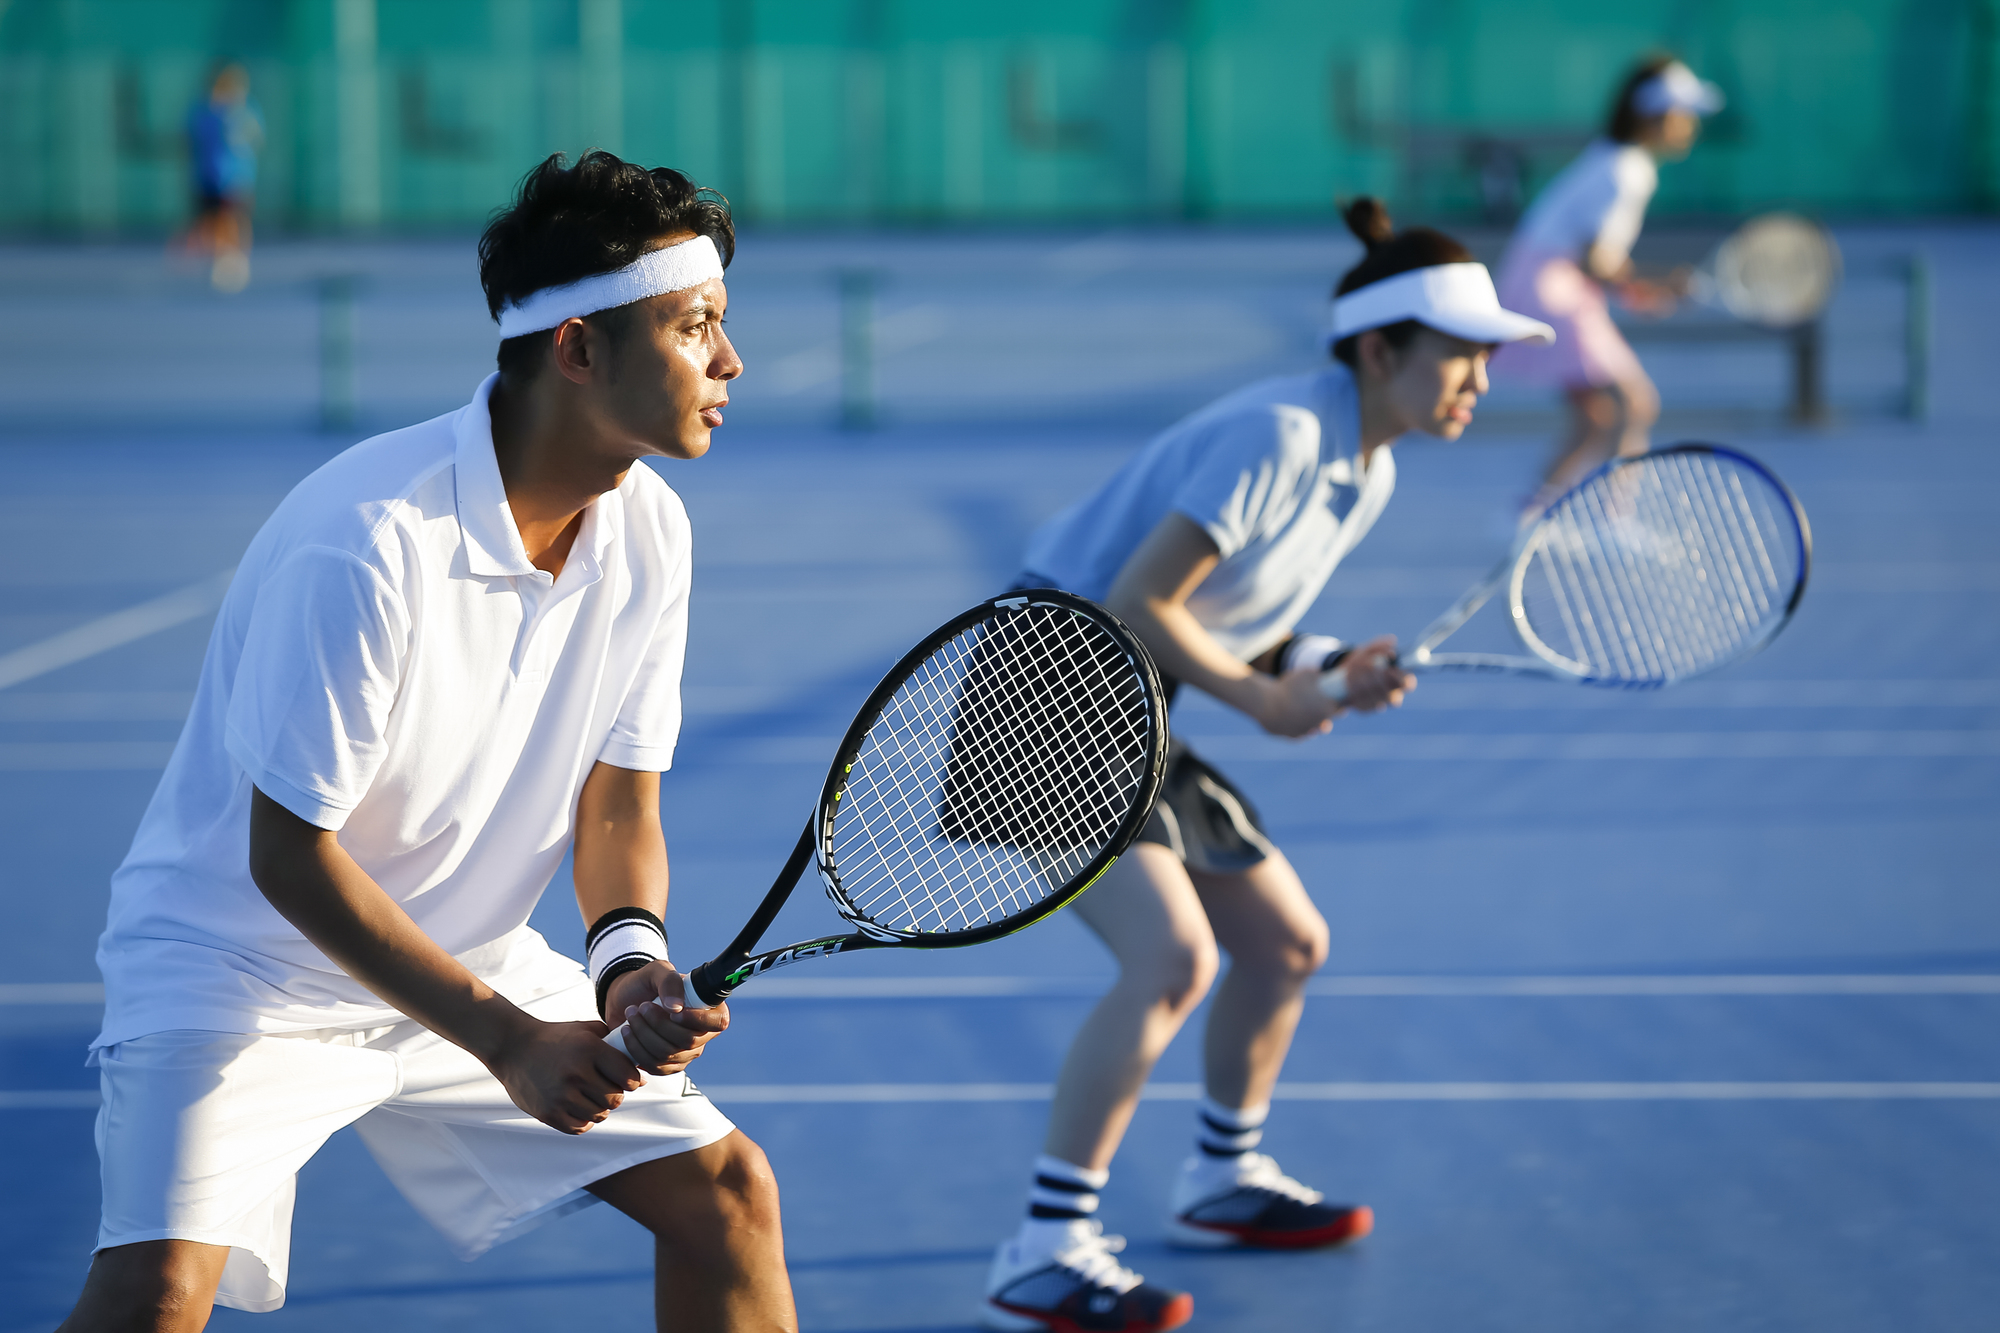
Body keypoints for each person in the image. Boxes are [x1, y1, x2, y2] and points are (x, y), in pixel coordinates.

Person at [59, 153, 798, 1332]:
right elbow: (290, 858)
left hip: (467, 956)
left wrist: (623, 964)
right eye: (694, 326)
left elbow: (615, 803)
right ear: (576, 350)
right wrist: (508, 1039)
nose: (729, 362)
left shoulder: (651, 528)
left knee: (728, 1196)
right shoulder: (365, 543)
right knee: (155, 1296)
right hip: (243, 971)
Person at [979, 199, 1554, 1333]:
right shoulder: (1282, 433)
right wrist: (1268, 702)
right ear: (1379, 351)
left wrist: (1330, 666)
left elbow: (1231, 626)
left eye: (1486, 361)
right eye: (1459, 359)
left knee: (1284, 943)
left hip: (1134, 694)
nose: (1478, 382)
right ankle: (1040, 1248)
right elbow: (1138, 600)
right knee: (1170, 960)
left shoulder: (1366, 465)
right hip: (1043, 685)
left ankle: (1220, 1178)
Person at [1493, 57, 1725, 512]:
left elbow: (1596, 259)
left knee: (1597, 417)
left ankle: (1526, 517)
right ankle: (1612, 523)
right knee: (1633, 404)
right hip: (1551, 287)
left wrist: (1640, 287)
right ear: (1654, 116)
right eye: (1684, 113)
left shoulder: (1612, 159)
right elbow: (1597, 260)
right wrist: (1654, 284)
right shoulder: (1627, 171)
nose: (1692, 125)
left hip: (1544, 282)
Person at [183, 62, 264, 293]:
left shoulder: (245, 111)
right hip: (207, 175)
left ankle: (237, 261)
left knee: (233, 218)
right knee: (213, 222)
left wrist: (234, 115)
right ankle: (221, 259)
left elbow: (253, 137)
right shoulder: (203, 111)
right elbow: (191, 138)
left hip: (237, 177)